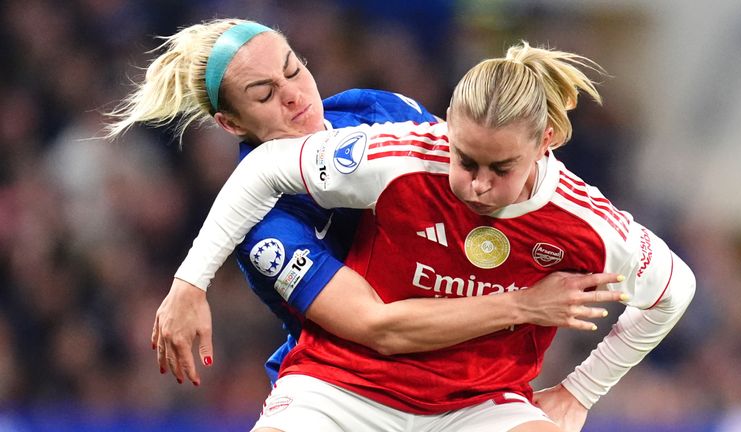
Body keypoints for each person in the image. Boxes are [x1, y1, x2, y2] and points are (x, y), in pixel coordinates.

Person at [172, 41, 696, 432]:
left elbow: (675, 292)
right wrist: (190, 284)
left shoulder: (585, 220)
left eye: (501, 167)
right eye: (464, 159)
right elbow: (264, 167)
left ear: (547, 142)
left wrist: (581, 391)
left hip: (479, 403)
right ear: (446, 127)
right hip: (343, 386)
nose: (478, 184)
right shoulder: (397, 155)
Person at [105, 19, 625, 388]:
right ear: (231, 124)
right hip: (351, 383)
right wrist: (524, 304)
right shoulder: (265, 227)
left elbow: (484, 177)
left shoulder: (374, 111)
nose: (293, 94)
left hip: (466, 378)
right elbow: (381, 327)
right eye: (264, 94)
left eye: (293, 68)